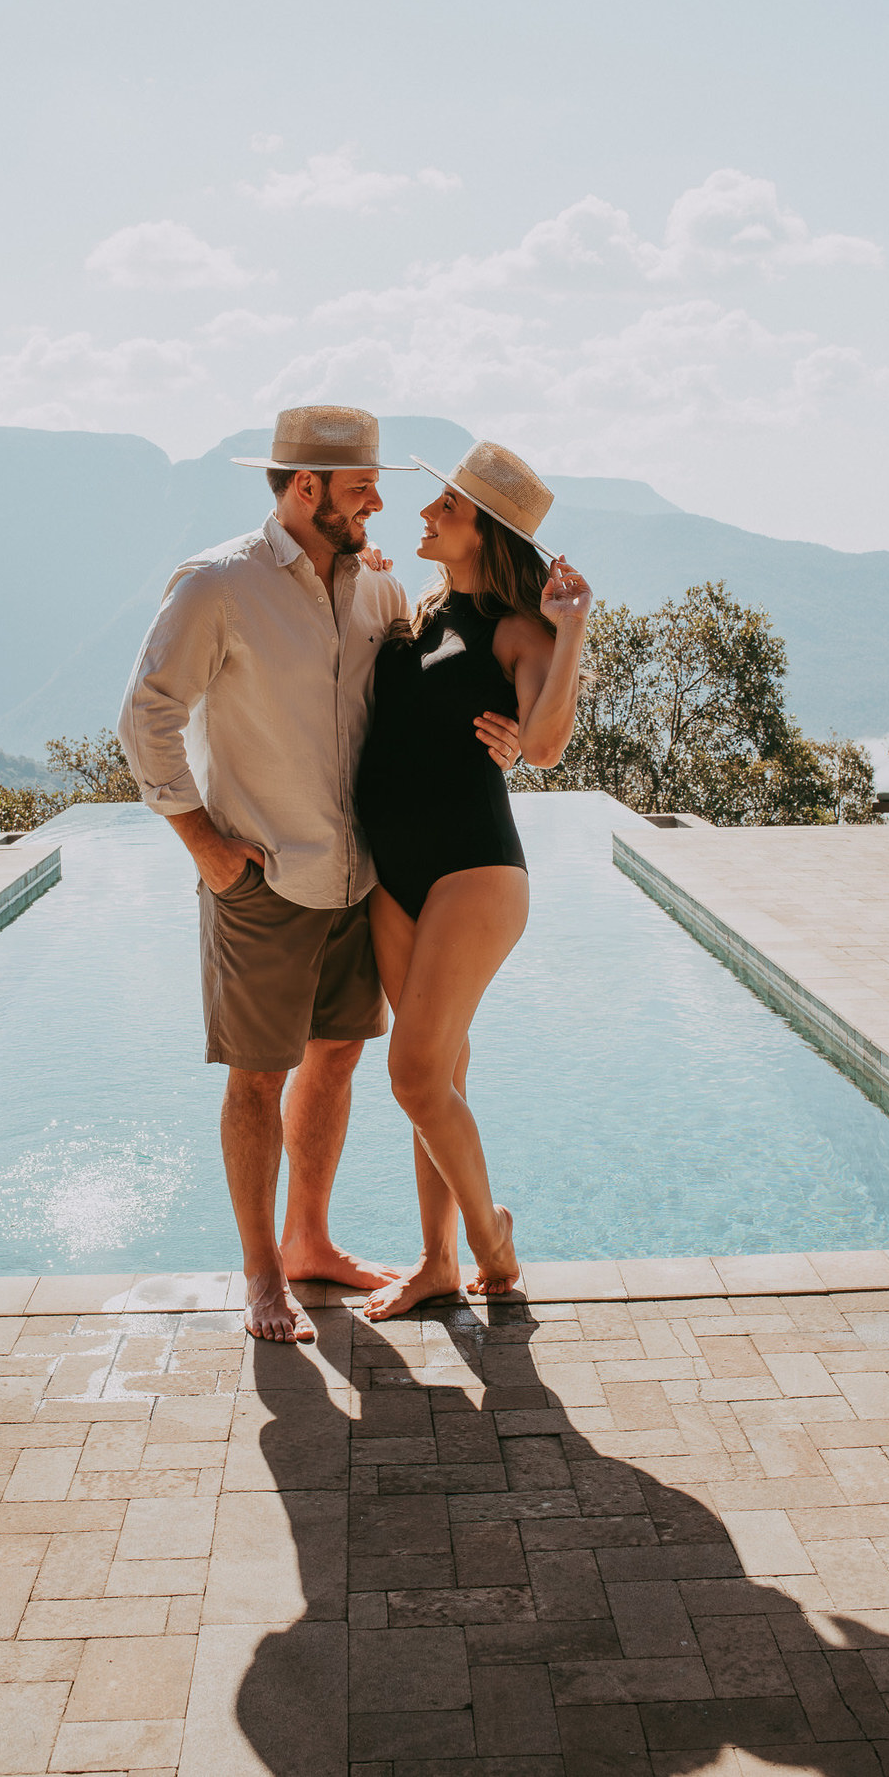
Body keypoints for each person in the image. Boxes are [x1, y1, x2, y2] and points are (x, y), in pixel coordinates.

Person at [117, 406, 521, 1344]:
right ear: (307, 489)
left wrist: (510, 738)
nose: (381, 501)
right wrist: (205, 846)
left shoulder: (375, 591)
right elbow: (147, 718)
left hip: (360, 880)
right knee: (259, 1079)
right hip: (263, 879)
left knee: (337, 1060)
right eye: (361, 487)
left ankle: (310, 1242)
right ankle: (263, 1277)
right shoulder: (219, 584)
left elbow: (435, 690)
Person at [355, 441, 593, 1319]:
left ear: (484, 531)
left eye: (445, 507)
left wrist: (570, 628)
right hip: (395, 872)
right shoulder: (421, 614)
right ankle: (436, 1262)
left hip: (472, 867)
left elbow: (541, 746)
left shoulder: (516, 630)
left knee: (414, 1076)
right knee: (440, 1074)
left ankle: (493, 1246)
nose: (425, 514)